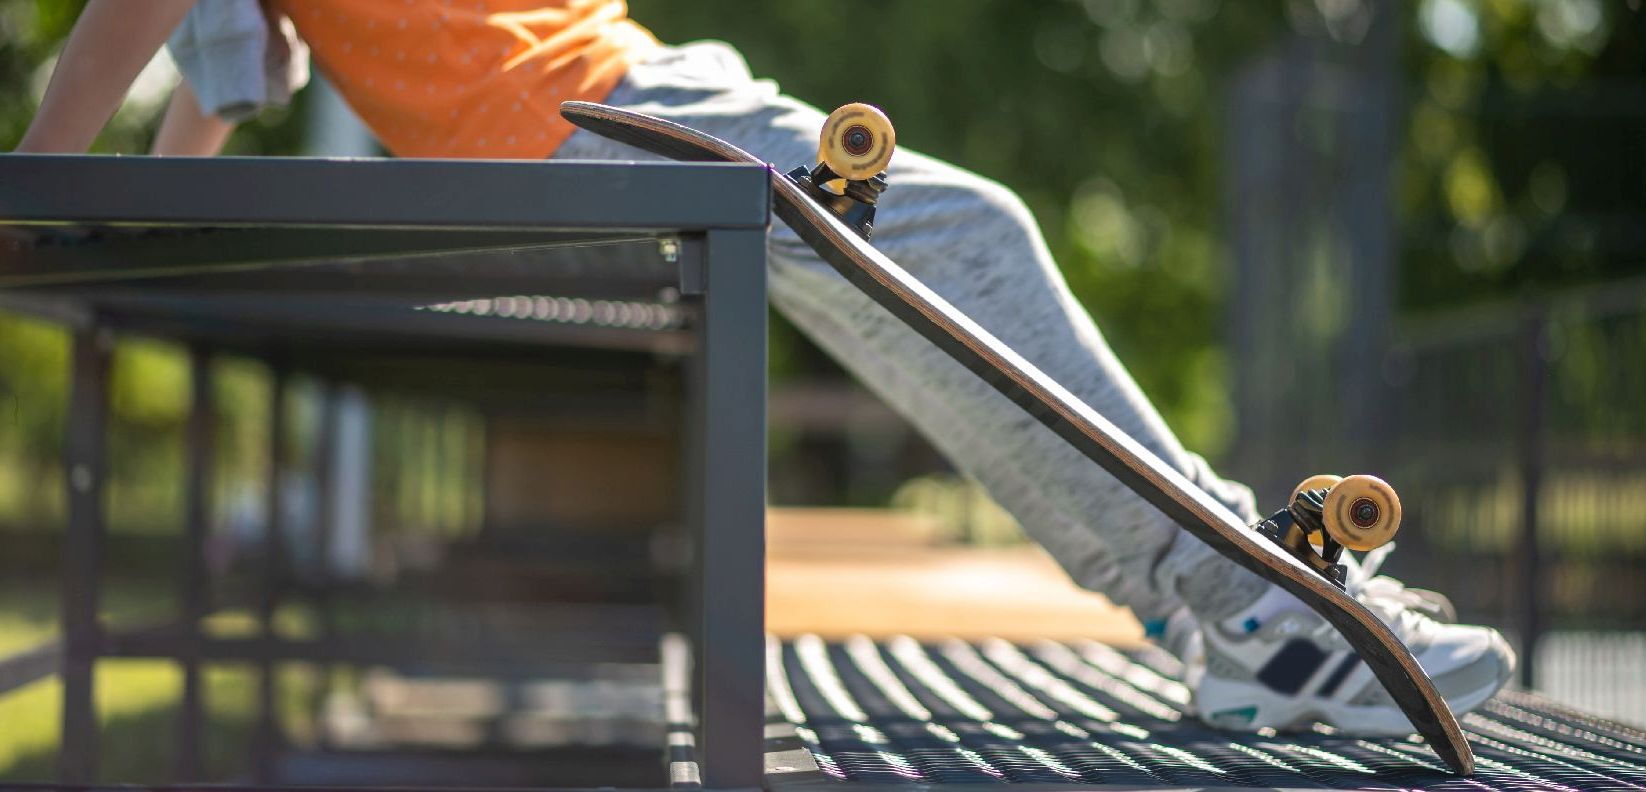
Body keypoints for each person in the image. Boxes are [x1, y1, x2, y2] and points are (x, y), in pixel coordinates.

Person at [18, 0, 1513, 735]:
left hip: (656, 92)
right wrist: (36, 196)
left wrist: (128, 197)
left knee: (908, 279)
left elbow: (205, 98)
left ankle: (1231, 600)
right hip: (581, 138)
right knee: (963, 229)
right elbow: (156, 44)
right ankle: (1254, 605)